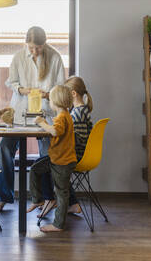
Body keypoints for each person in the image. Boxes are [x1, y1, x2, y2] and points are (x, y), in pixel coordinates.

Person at [0, 26, 66, 212]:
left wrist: (47, 94)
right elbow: (11, 81)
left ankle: (47, 198)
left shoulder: (55, 57)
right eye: (31, 47)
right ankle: (3, 196)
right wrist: (23, 90)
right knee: (5, 148)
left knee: (47, 156)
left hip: (45, 115)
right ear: (26, 43)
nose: (34, 51)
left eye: (38, 47)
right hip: (20, 112)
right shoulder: (19, 57)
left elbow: (60, 89)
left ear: (45, 43)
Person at [27, 85, 76, 232]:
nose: (49, 102)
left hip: (62, 161)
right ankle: (38, 199)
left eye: (50, 100)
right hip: (56, 158)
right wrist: (47, 124)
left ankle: (58, 224)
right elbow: (56, 130)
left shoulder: (62, 116)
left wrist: (42, 122)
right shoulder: (64, 115)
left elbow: (55, 131)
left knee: (61, 193)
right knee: (35, 169)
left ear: (56, 102)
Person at [64, 76, 94, 214]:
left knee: (53, 165)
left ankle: (54, 201)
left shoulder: (79, 112)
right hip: (79, 154)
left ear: (73, 94)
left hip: (78, 156)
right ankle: (69, 202)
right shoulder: (81, 110)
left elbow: (78, 139)